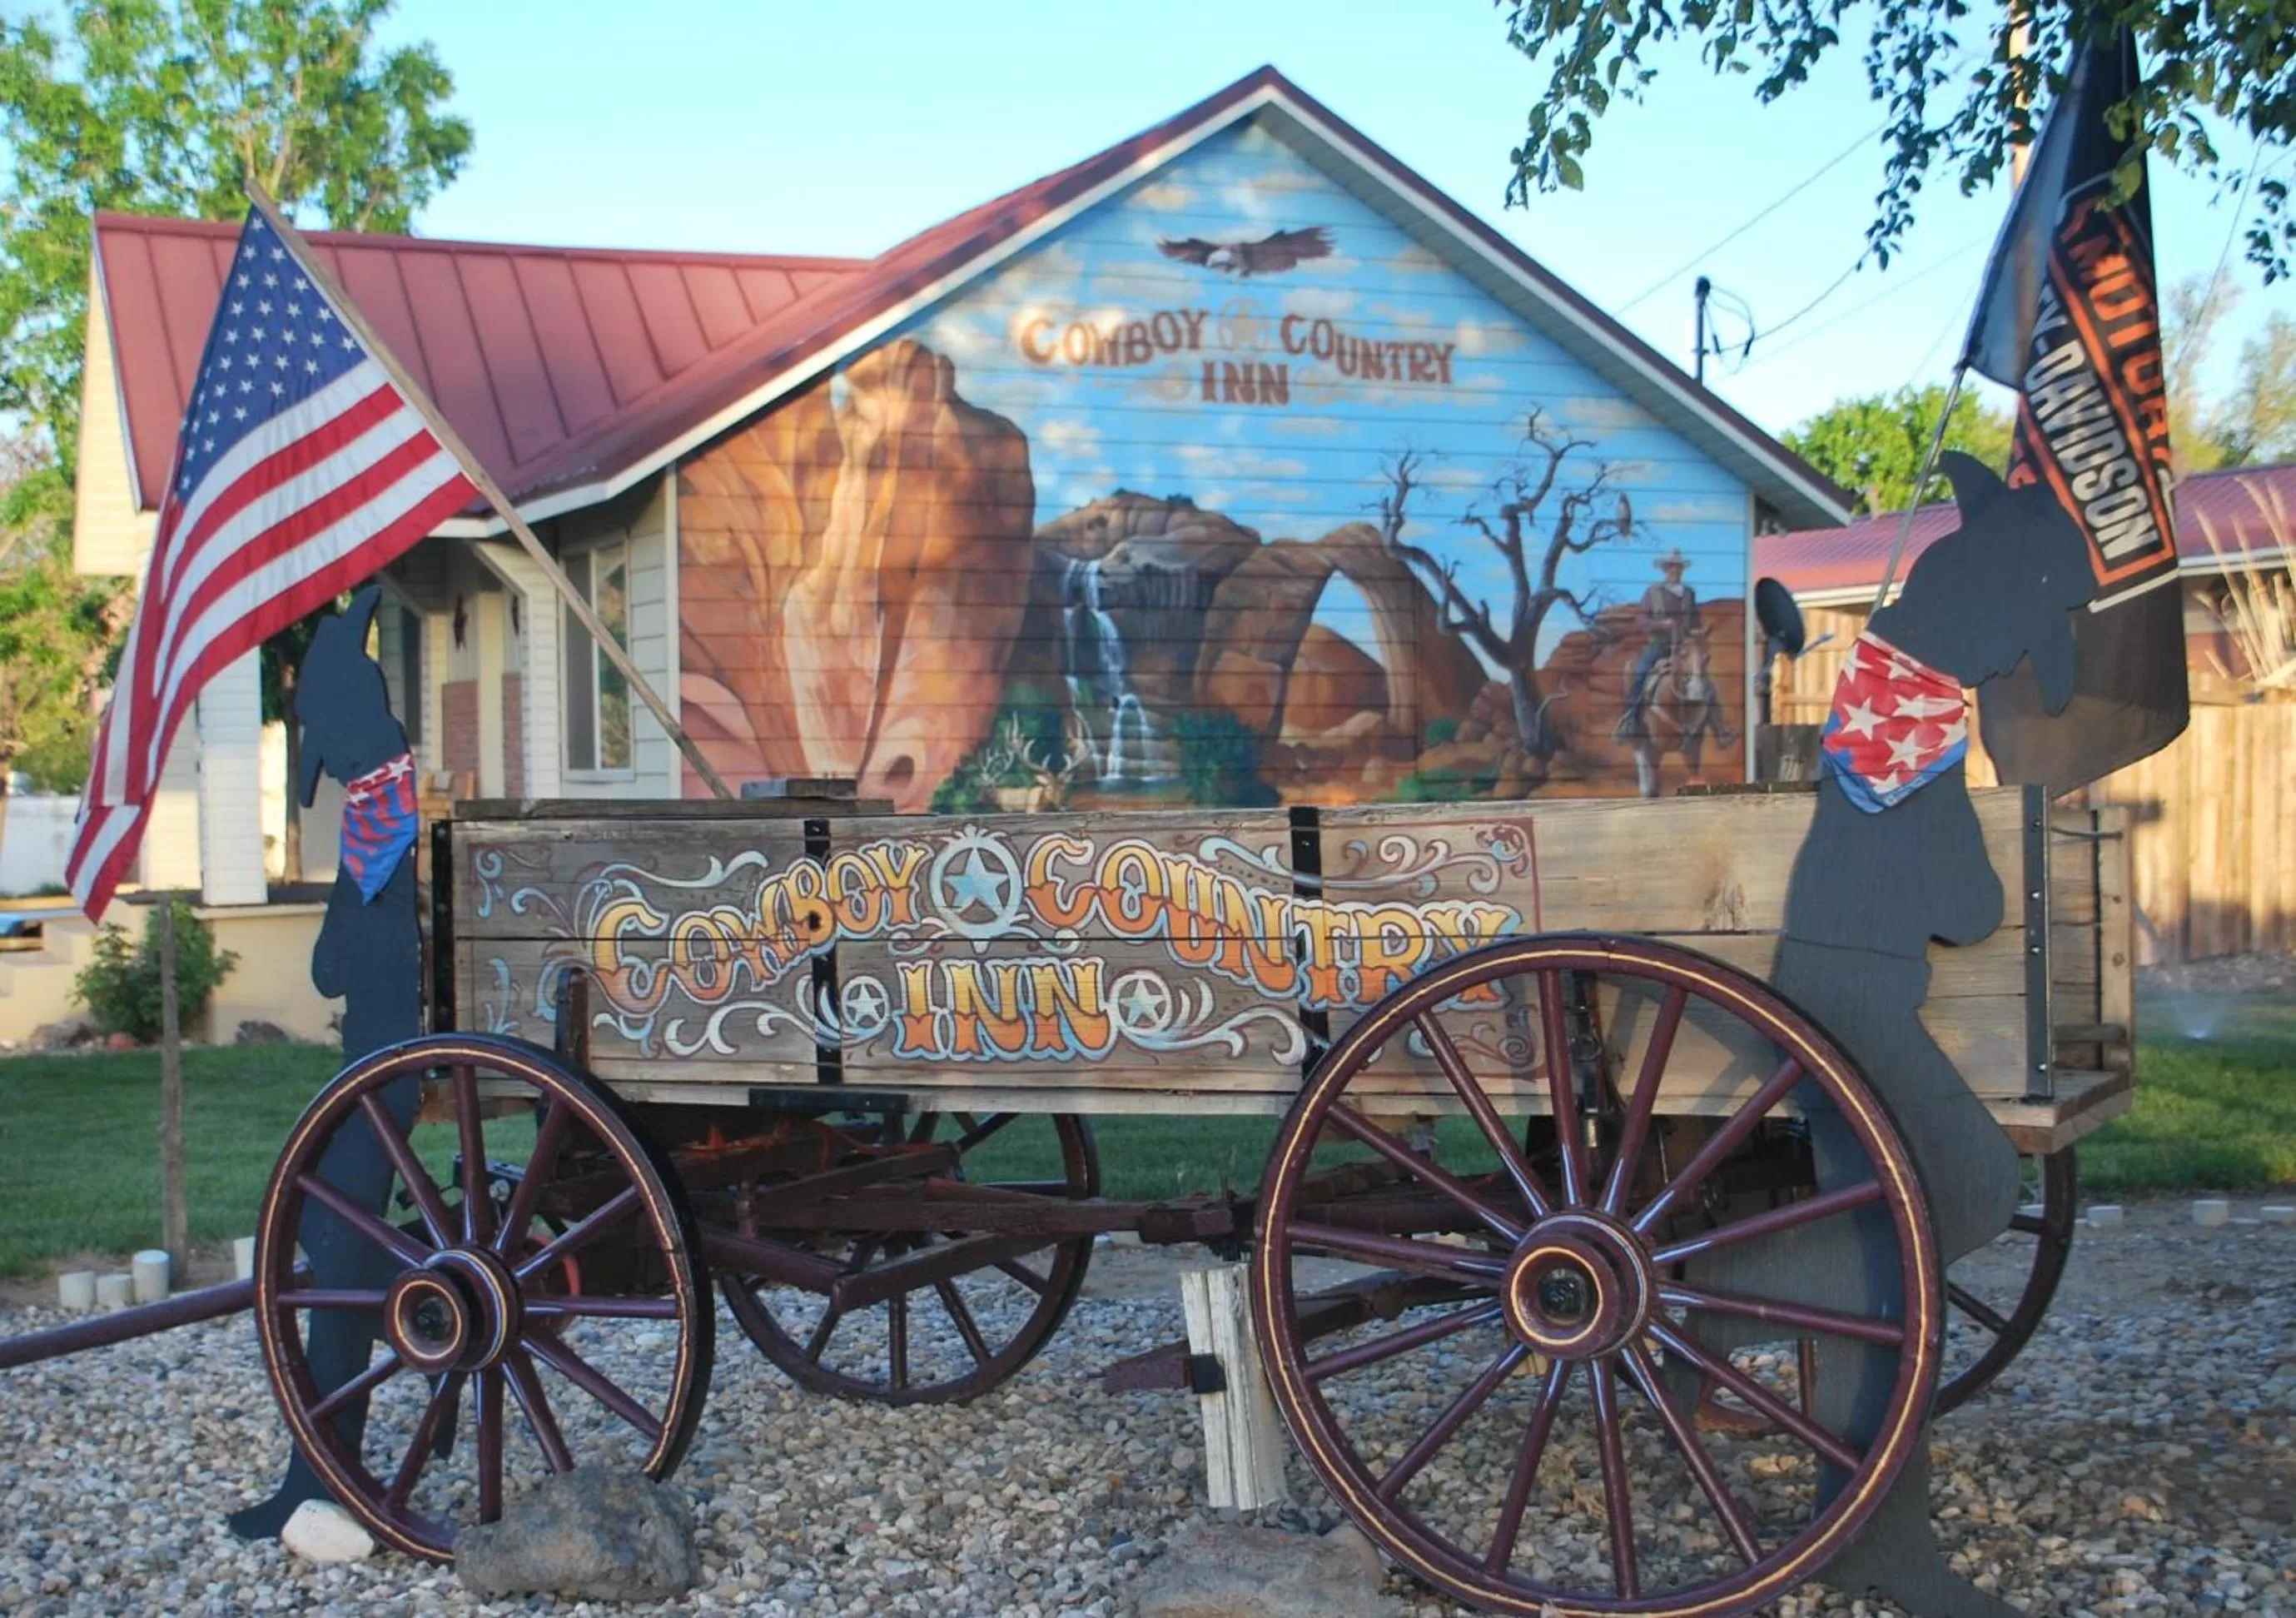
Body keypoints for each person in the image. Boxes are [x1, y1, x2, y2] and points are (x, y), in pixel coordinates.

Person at [1614, 549, 1702, 741]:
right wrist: (1661, 625)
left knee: (1705, 677)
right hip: (1658, 646)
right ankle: (1630, 720)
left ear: (1682, 569)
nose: (1674, 570)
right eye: (1671, 567)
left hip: (1683, 647)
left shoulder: (1689, 594)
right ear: (1665, 569)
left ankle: (1718, 727)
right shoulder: (1653, 593)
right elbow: (1640, 622)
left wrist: (1696, 631)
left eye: (1678, 567)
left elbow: (1696, 622)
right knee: (1640, 674)